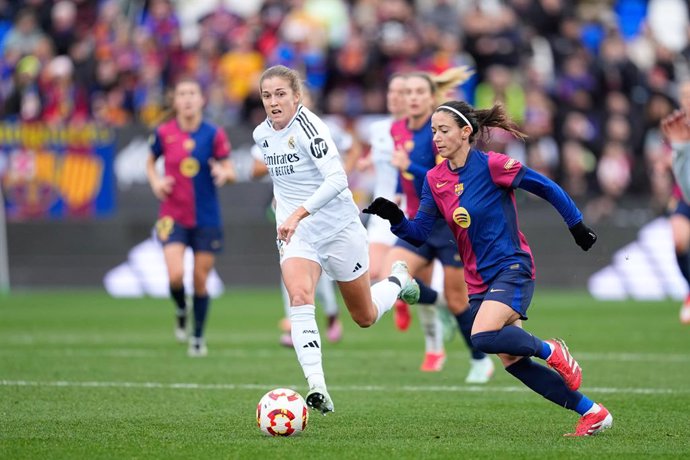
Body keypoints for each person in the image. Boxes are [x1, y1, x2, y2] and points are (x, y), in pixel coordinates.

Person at [364, 100, 613, 436]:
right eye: (434, 131)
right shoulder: (435, 179)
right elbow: (419, 234)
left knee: (481, 336)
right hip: (478, 280)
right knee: (512, 361)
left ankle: (551, 350)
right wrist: (394, 218)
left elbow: (546, 187)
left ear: (466, 132)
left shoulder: (493, 165)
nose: (436, 137)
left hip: (512, 267)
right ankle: (593, 412)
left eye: (444, 130)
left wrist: (576, 225)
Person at [253, 64, 420, 415]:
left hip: (339, 228)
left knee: (364, 316)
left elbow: (337, 179)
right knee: (299, 296)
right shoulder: (261, 135)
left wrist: (298, 211)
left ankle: (398, 279)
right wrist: (285, 207)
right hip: (298, 233)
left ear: (296, 96)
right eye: (267, 95)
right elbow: (284, 179)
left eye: (281, 94)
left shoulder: (311, 128)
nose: (273, 101)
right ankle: (317, 386)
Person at [384, 69, 494, 379]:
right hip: (418, 223)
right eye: (409, 92)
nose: (413, 97)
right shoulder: (398, 129)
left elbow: (441, 178)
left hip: (448, 225)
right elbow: (399, 171)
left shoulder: (438, 133)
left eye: (420, 92)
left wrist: (410, 167)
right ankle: (439, 301)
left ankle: (479, 359)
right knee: (390, 274)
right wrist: (395, 193)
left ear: (433, 99)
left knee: (460, 299)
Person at [146, 77, 235, 357]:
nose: (186, 98)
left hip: (207, 217)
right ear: (175, 100)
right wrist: (156, 183)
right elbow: (150, 161)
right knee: (175, 276)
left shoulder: (213, 133)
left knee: (199, 279)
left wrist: (224, 173)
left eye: (192, 93)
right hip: (171, 216)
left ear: (201, 100)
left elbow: (230, 168)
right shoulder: (163, 133)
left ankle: (197, 336)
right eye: (181, 93)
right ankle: (181, 308)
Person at [660, 83, 690, 324]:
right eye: (683, 95)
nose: (686, 99)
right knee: (679, 241)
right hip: (684, 195)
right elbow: (668, 158)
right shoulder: (677, 125)